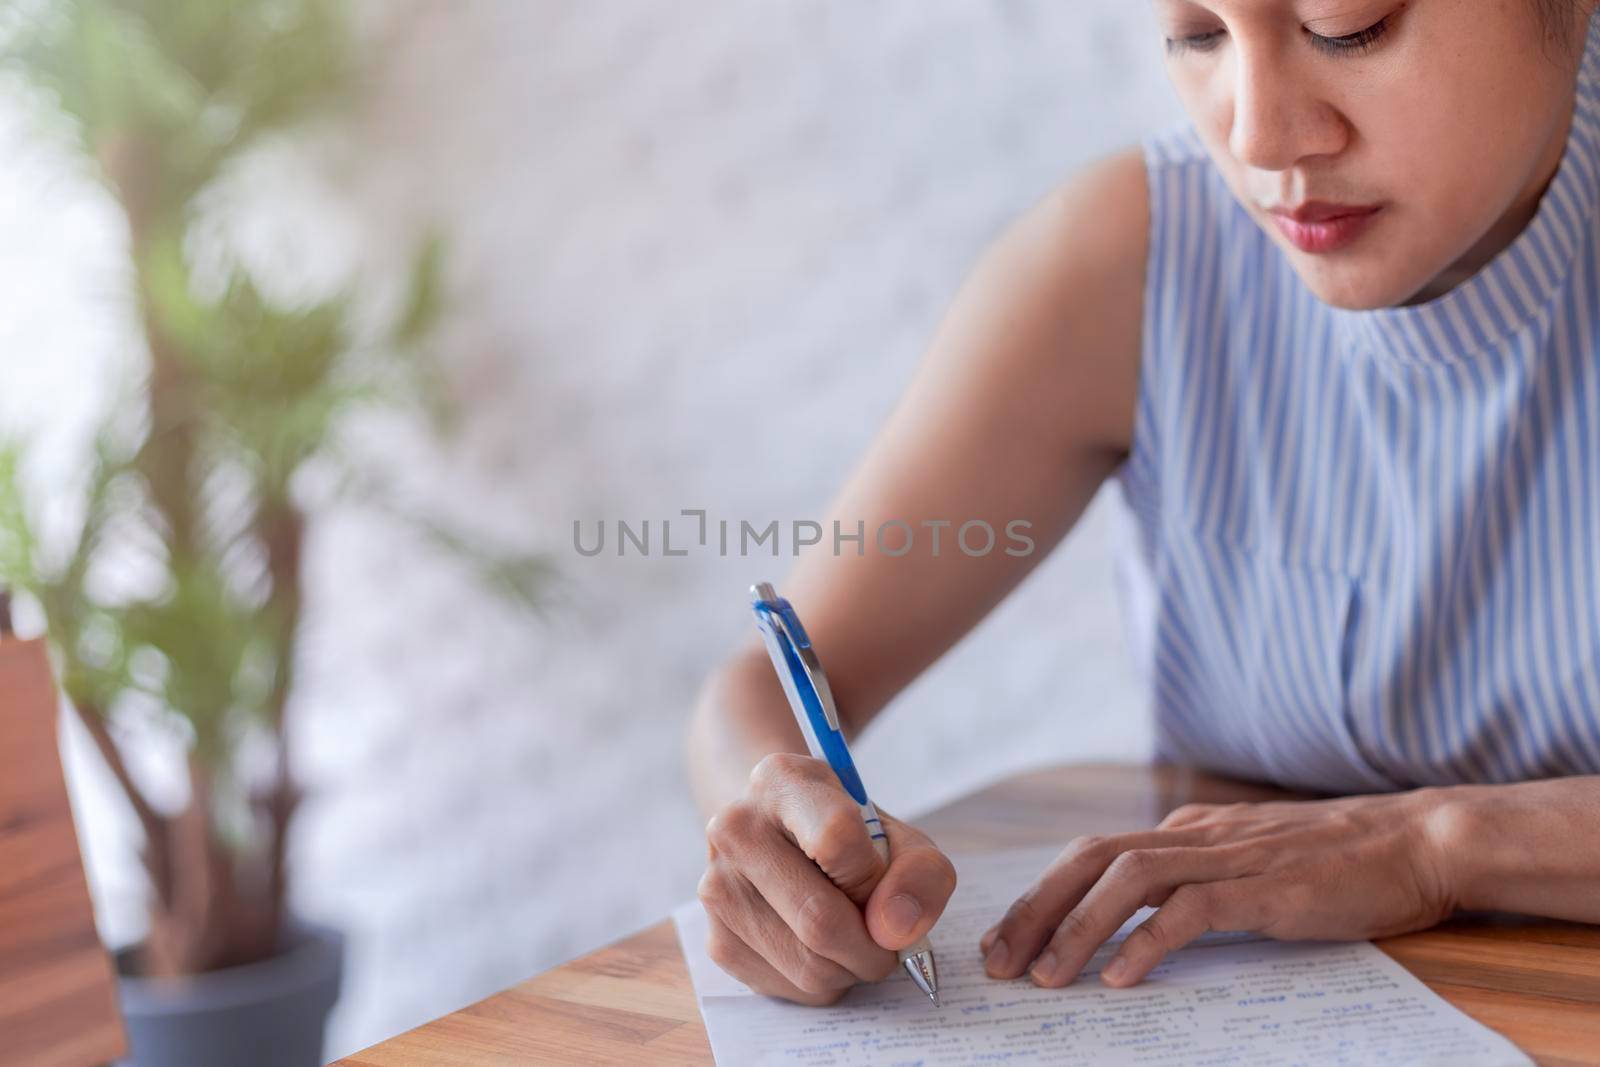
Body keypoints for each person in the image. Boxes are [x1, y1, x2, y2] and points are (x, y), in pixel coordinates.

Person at [687, 0, 1600, 1005]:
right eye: (1196, 34)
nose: (1258, 136)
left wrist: (1437, 844)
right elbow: (766, 686)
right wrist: (779, 830)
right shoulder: (1135, 258)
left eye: (1348, 27)